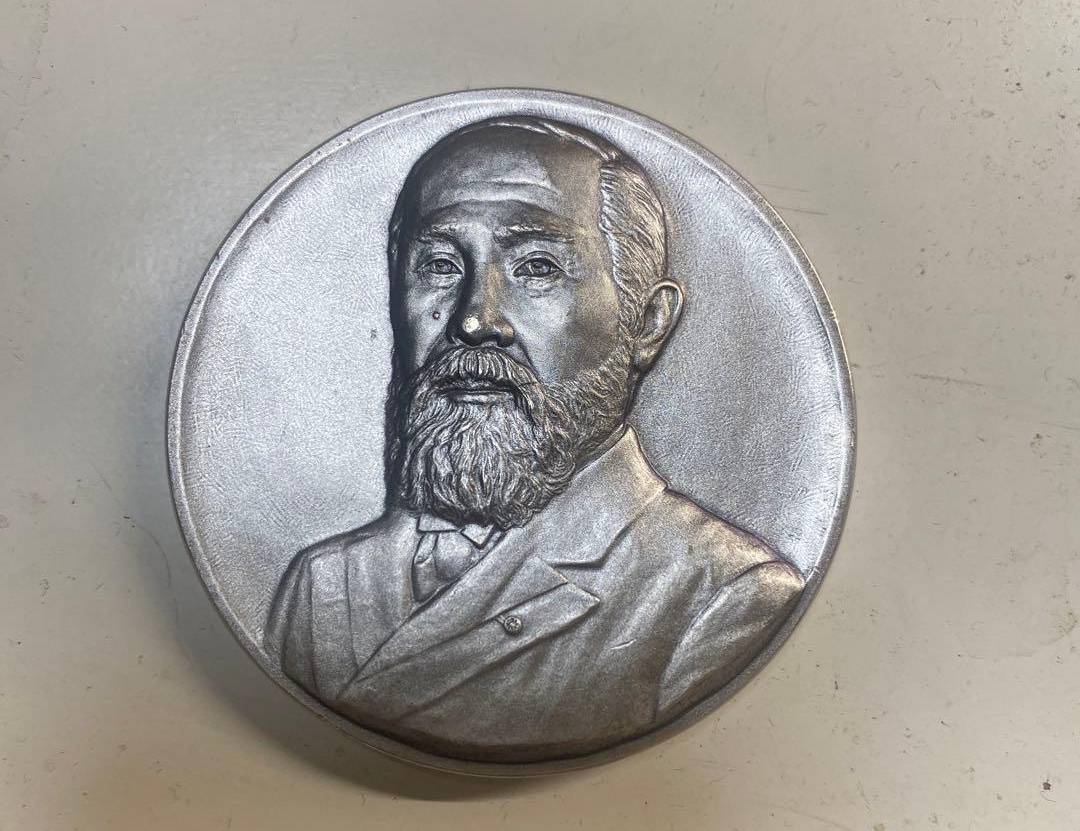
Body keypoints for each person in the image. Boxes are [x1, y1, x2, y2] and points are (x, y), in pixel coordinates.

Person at [266, 115, 804, 763]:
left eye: (537, 266)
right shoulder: (322, 584)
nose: (474, 319)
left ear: (648, 323)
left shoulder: (723, 598)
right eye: (439, 264)